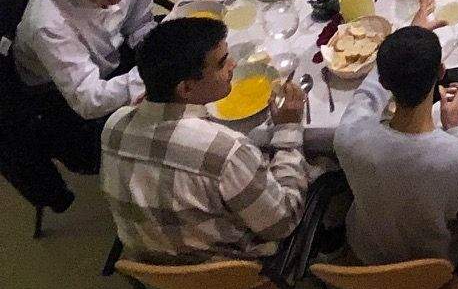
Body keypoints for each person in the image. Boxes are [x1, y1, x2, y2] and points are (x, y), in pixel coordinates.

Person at [100, 17, 309, 263]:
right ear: (186, 89)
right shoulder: (226, 151)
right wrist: (288, 130)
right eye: (222, 64)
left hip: (156, 264)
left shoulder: (114, 124)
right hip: (230, 269)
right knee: (322, 165)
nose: (233, 65)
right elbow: (283, 223)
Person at [333, 23, 458, 265]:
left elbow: (366, 96)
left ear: (385, 82)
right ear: (441, 72)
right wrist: (455, 130)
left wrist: (403, 45)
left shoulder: (348, 135)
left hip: (369, 254)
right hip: (435, 266)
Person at [15, 0, 157, 156]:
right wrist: (153, 73)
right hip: (58, 91)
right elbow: (88, 100)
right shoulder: (49, 24)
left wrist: (154, 48)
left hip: (113, 57)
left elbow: (139, 22)